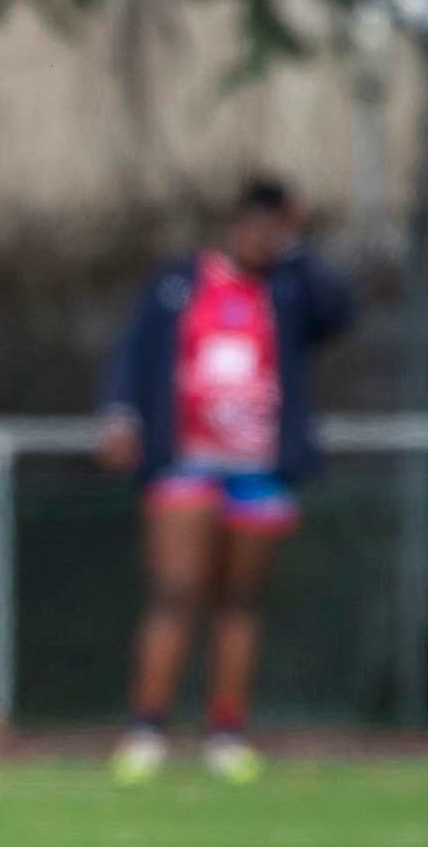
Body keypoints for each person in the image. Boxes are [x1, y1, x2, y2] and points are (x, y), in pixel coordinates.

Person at [99, 178, 354, 785]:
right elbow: (131, 353)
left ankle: (227, 733)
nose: (261, 240)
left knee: (239, 601)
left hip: (259, 469)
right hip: (185, 462)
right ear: (232, 225)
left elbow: (340, 310)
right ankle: (147, 729)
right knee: (175, 590)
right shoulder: (178, 283)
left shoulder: (290, 289)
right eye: (255, 227)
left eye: (275, 230)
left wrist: (299, 247)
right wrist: (118, 416)